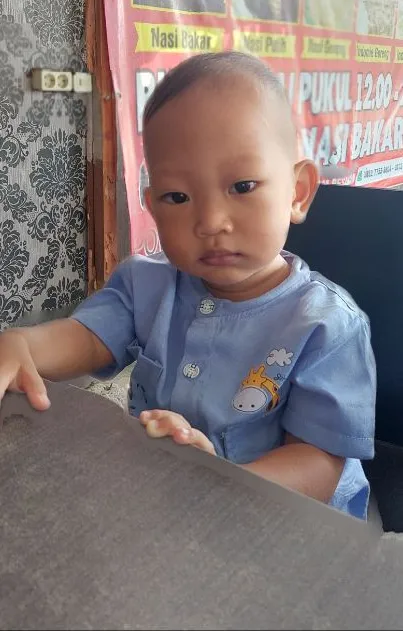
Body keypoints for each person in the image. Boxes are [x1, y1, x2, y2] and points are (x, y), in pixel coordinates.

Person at [0, 51, 376, 518]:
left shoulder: (327, 327)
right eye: (177, 197)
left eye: (242, 186)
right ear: (152, 206)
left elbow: (320, 463)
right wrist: (21, 346)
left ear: (297, 192)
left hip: (285, 525)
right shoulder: (147, 282)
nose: (211, 221)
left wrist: (219, 484)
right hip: (168, 496)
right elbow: (87, 337)